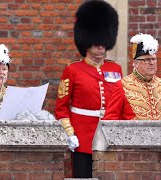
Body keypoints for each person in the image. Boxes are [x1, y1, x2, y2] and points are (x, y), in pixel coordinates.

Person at [54, 0, 122, 178]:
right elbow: (61, 108)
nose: (100, 47)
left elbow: (121, 103)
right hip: (82, 139)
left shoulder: (115, 69)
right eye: (96, 43)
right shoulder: (73, 70)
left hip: (108, 137)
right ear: (87, 43)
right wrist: (70, 134)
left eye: (103, 43)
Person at [104, 33, 160, 120]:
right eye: (147, 60)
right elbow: (110, 120)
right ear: (135, 63)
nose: (152, 63)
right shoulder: (122, 86)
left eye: (153, 59)